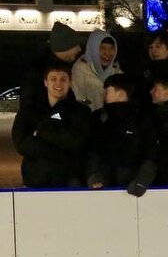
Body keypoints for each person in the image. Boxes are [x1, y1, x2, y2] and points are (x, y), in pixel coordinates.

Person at [12, 60, 91, 188]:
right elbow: (20, 143)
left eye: (63, 79)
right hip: (35, 179)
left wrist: (41, 133)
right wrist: (59, 149)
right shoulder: (29, 110)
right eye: (53, 79)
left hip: (69, 179)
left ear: (70, 82)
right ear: (45, 82)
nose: (58, 83)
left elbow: (77, 142)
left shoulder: (81, 111)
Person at [86, 73, 157, 196]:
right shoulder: (98, 118)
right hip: (103, 189)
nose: (104, 95)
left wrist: (142, 180)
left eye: (107, 91)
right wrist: (93, 175)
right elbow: (91, 150)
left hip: (132, 188)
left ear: (120, 94)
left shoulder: (141, 119)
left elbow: (151, 153)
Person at [20, 21, 83, 112]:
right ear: (65, 46)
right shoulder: (36, 73)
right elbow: (28, 108)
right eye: (76, 45)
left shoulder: (67, 66)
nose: (79, 49)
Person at [71, 30, 122, 112]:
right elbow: (79, 99)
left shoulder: (117, 72)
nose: (107, 53)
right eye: (102, 48)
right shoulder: (80, 70)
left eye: (111, 48)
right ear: (93, 49)